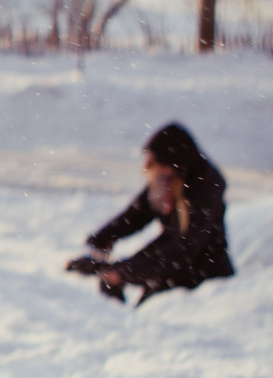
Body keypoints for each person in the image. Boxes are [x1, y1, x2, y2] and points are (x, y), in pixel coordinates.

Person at [66, 122, 236, 305]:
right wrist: (99, 240)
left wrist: (124, 272)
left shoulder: (206, 186)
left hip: (204, 272)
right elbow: (135, 215)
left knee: (120, 279)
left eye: (154, 163)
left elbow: (186, 248)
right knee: (110, 278)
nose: (148, 168)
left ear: (173, 165)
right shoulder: (168, 180)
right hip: (174, 258)